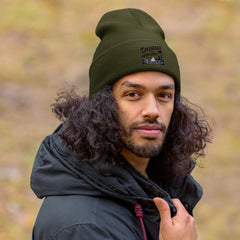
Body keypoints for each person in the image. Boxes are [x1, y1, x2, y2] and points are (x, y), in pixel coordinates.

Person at [31, 8, 212, 240]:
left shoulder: (149, 186)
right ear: (102, 104)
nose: (152, 111)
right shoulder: (84, 227)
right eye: (133, 94)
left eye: (164, 95)